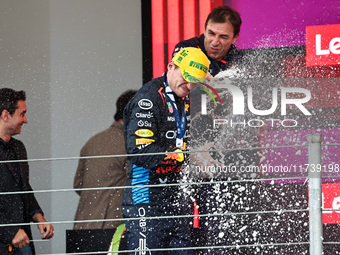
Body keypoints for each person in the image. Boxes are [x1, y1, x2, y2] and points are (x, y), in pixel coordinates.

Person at [121, 47, 209, 255]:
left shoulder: (182, 95)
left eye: (195, 81)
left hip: (175, 199)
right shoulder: (149, 99)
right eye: (186, 78)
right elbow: (138, 150)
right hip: (146, 199)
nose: (189, 86)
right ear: (171, 66)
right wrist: (186, 155)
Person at [72, 90, 136, 251]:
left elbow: (78, 185)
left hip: (83, 226)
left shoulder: (93, 142)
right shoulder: (130, 144)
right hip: (113, 231)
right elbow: (139, 187)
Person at [0, 88, 54, 255]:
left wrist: (39, 218)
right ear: (5, 115)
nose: (26, 120)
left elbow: (24, 189)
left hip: (22, 240)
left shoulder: (19, 148)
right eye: (22, 114)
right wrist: (9, 231)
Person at [172, 5, 243, 76]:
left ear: (234, 38)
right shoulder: (187, 48)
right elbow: (180, 79)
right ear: (205, 31)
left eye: (223, 37)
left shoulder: (240, 61)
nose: (215, 43)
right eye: (211, 34)